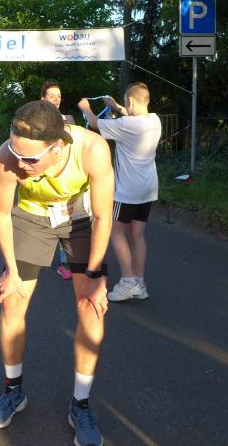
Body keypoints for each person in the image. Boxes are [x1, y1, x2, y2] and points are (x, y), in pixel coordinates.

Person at [0, 101, 113, 446]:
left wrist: (96, 275)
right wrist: (12, 271)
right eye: (16, 153)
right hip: (31, 217)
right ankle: (13, 391)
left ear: (57, 146)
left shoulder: (92, 149)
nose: (20, 164)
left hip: (80, 219)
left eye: (30, 159)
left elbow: (103, 217)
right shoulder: (7, 156)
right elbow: (1, 216)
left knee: (91, 307)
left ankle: (80, 406)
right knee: (12, 301)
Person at [78, 82, 161, 302]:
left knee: (116, 232)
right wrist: (116, 106)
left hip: (127, 191)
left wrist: (85, 108)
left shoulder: (126, 125)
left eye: (125, 101)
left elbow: (94, 123)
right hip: (148, 188)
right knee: (137, 235)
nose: (124, 105)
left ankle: (127, 282)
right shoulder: (154, 120)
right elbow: (131, 116)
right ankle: (139, 283)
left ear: (131, 101)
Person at [40, 81, 75, 279]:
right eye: (51, 95)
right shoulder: (34, 120)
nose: (56, 99)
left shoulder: (68, 119)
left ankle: (65, 264)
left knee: (63, 223)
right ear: (43, 99)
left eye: (59, 96)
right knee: (41, 223)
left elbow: (76, 146)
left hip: (64, 178)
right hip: (40, 179)